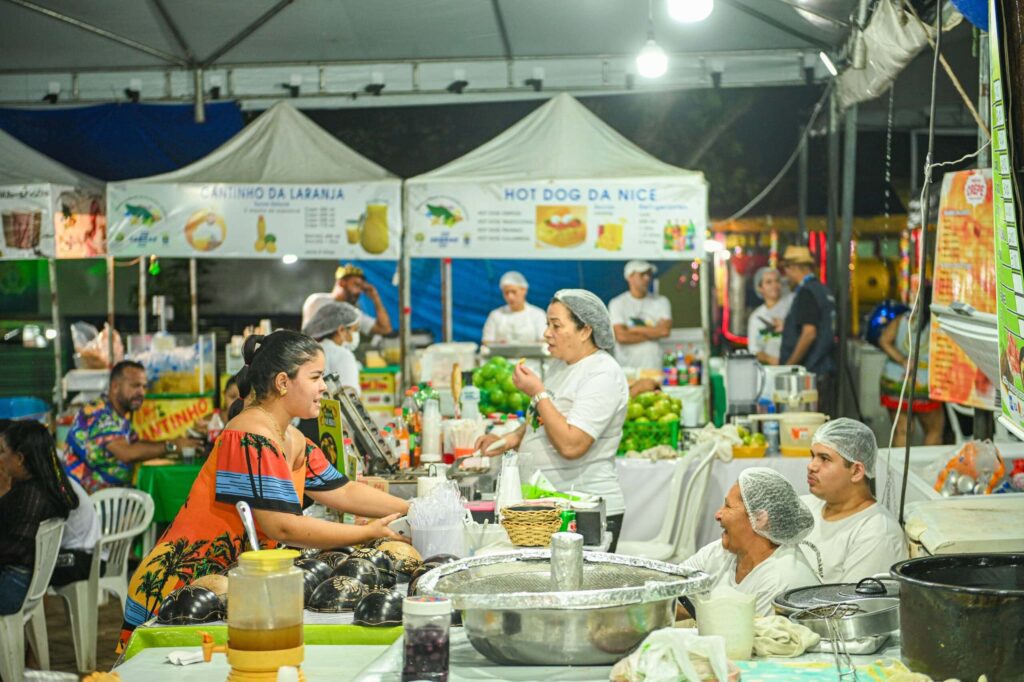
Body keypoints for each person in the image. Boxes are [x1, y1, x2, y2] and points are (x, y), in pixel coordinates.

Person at [118, 330, 409, 649]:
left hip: (228, 588)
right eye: (315, 377)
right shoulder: (248, 435)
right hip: (182, 587)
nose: (324, 386)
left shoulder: (292, 439)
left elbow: (343, 490)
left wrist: (411, 510)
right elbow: (281, 525)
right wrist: (366, 533)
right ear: (283, 382)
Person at [474, 289, 629, 551]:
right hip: (550, 509)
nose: (547, 333)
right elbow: (543, 417)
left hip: (582, 511)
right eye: (547, 324)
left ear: (585, 330)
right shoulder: (560, 366)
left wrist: (537, 392)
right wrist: (510, 438)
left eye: (556, 325)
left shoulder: (602, 374)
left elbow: (572, 445)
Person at [680, 468, 819, 616]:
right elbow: (672, 591)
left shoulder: (778, 581)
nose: (718, 514)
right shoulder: (719, 552)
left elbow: (746, 637)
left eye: (728, 506)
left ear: (760, 519)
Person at [63, 361, 204, 494]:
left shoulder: (120, 416)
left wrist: (181, 447)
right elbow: (128, 453)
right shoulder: (98, 413)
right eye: (135, 386)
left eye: (144, 386)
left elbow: (138, 447)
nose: (141, 392)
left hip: (113, 497)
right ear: (115, 387)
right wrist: (172, 445)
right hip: (88, 501)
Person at [800, 419, 907, 583]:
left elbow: (853, 605)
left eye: (824, 458)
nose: (812, 466)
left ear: (856, 471)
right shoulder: (805, 507)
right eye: (813, 456)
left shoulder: (876, 534)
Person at [0, 421, 80, 614]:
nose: (0, 458)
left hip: (12, 585)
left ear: (19, 458)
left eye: (2, 451)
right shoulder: (41, 487)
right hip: (23, 581)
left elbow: (17, 547)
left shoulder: (31, 495)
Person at [878, 296, 945, 446]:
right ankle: (928, 469)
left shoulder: (903, 319)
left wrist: (902, 360)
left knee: (902, 430)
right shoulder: (939, 324)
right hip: (924, 383)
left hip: (894, 381)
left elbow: (883, 340)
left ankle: (898, 469)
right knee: (934, 430)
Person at [778, 246, 837, 409]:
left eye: (786, 269)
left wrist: (789, 366)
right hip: (824, 368)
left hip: (811, 372)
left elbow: (809, 333)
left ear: (794, 268)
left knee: (807, 426)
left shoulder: (806, 292)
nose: (786, 275)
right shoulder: (823, 291)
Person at [608, 260, 672, 372]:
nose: (647, 278)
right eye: (642, 274)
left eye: (649, 274)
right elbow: (621, 337)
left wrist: (633, 329)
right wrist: (653, 333)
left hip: (654, 367)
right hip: (626, 369)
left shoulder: (661, 301)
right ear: (630, 277)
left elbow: (664, 331)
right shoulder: (617, 303)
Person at [301, 263, 392, 338]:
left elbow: (384, 329)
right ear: (341, 283)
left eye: (361, 287)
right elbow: (309, 334)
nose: (360, 291)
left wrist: (376, 298)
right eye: (356, 285)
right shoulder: (318, 300)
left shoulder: (351, 312)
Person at [302, 301, 363, 396]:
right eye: (354, 330)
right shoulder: (343, 355)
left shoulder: (313, 350)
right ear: (341, 330)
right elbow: (349, 395)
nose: (356, 334)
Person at [481, 271, 548, 345]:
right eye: (506, 293)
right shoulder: (495, 315)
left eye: (513, 292)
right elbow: (486, 342)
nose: (510, 297)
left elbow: (544, 341)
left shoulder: (538, 314)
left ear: (524, 290)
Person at [747, 266, 793, 366]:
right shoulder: (756, 317)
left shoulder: (792, 305)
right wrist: (770, 359)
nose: (774, 285)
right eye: (769, 282)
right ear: (760, 288)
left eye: (777, 281)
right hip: (769, 371)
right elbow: (754, 349)